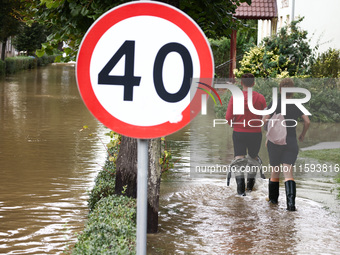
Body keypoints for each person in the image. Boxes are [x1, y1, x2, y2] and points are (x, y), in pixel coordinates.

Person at [263, 78, 310, 211]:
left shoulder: (275, 102)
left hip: (275, 142)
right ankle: (291, 206)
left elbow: (265, 120)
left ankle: (273, 203)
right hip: (291, 141)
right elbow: (307, 121)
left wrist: (269, 134)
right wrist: (302, 134)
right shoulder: (297, 104)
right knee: (288, 173)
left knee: (275, 172)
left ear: (280, 89)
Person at [225, 73, 267, 196]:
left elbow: (228, 117)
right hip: (255, 133)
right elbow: (266, 116)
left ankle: (240, 191)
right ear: (253, 83)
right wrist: (259, 125)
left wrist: (234, 125)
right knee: (253, 158)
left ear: (241, 83)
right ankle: (250, 187)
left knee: (239, 159)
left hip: (239, 132)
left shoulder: (235, 98)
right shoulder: (260, 98)